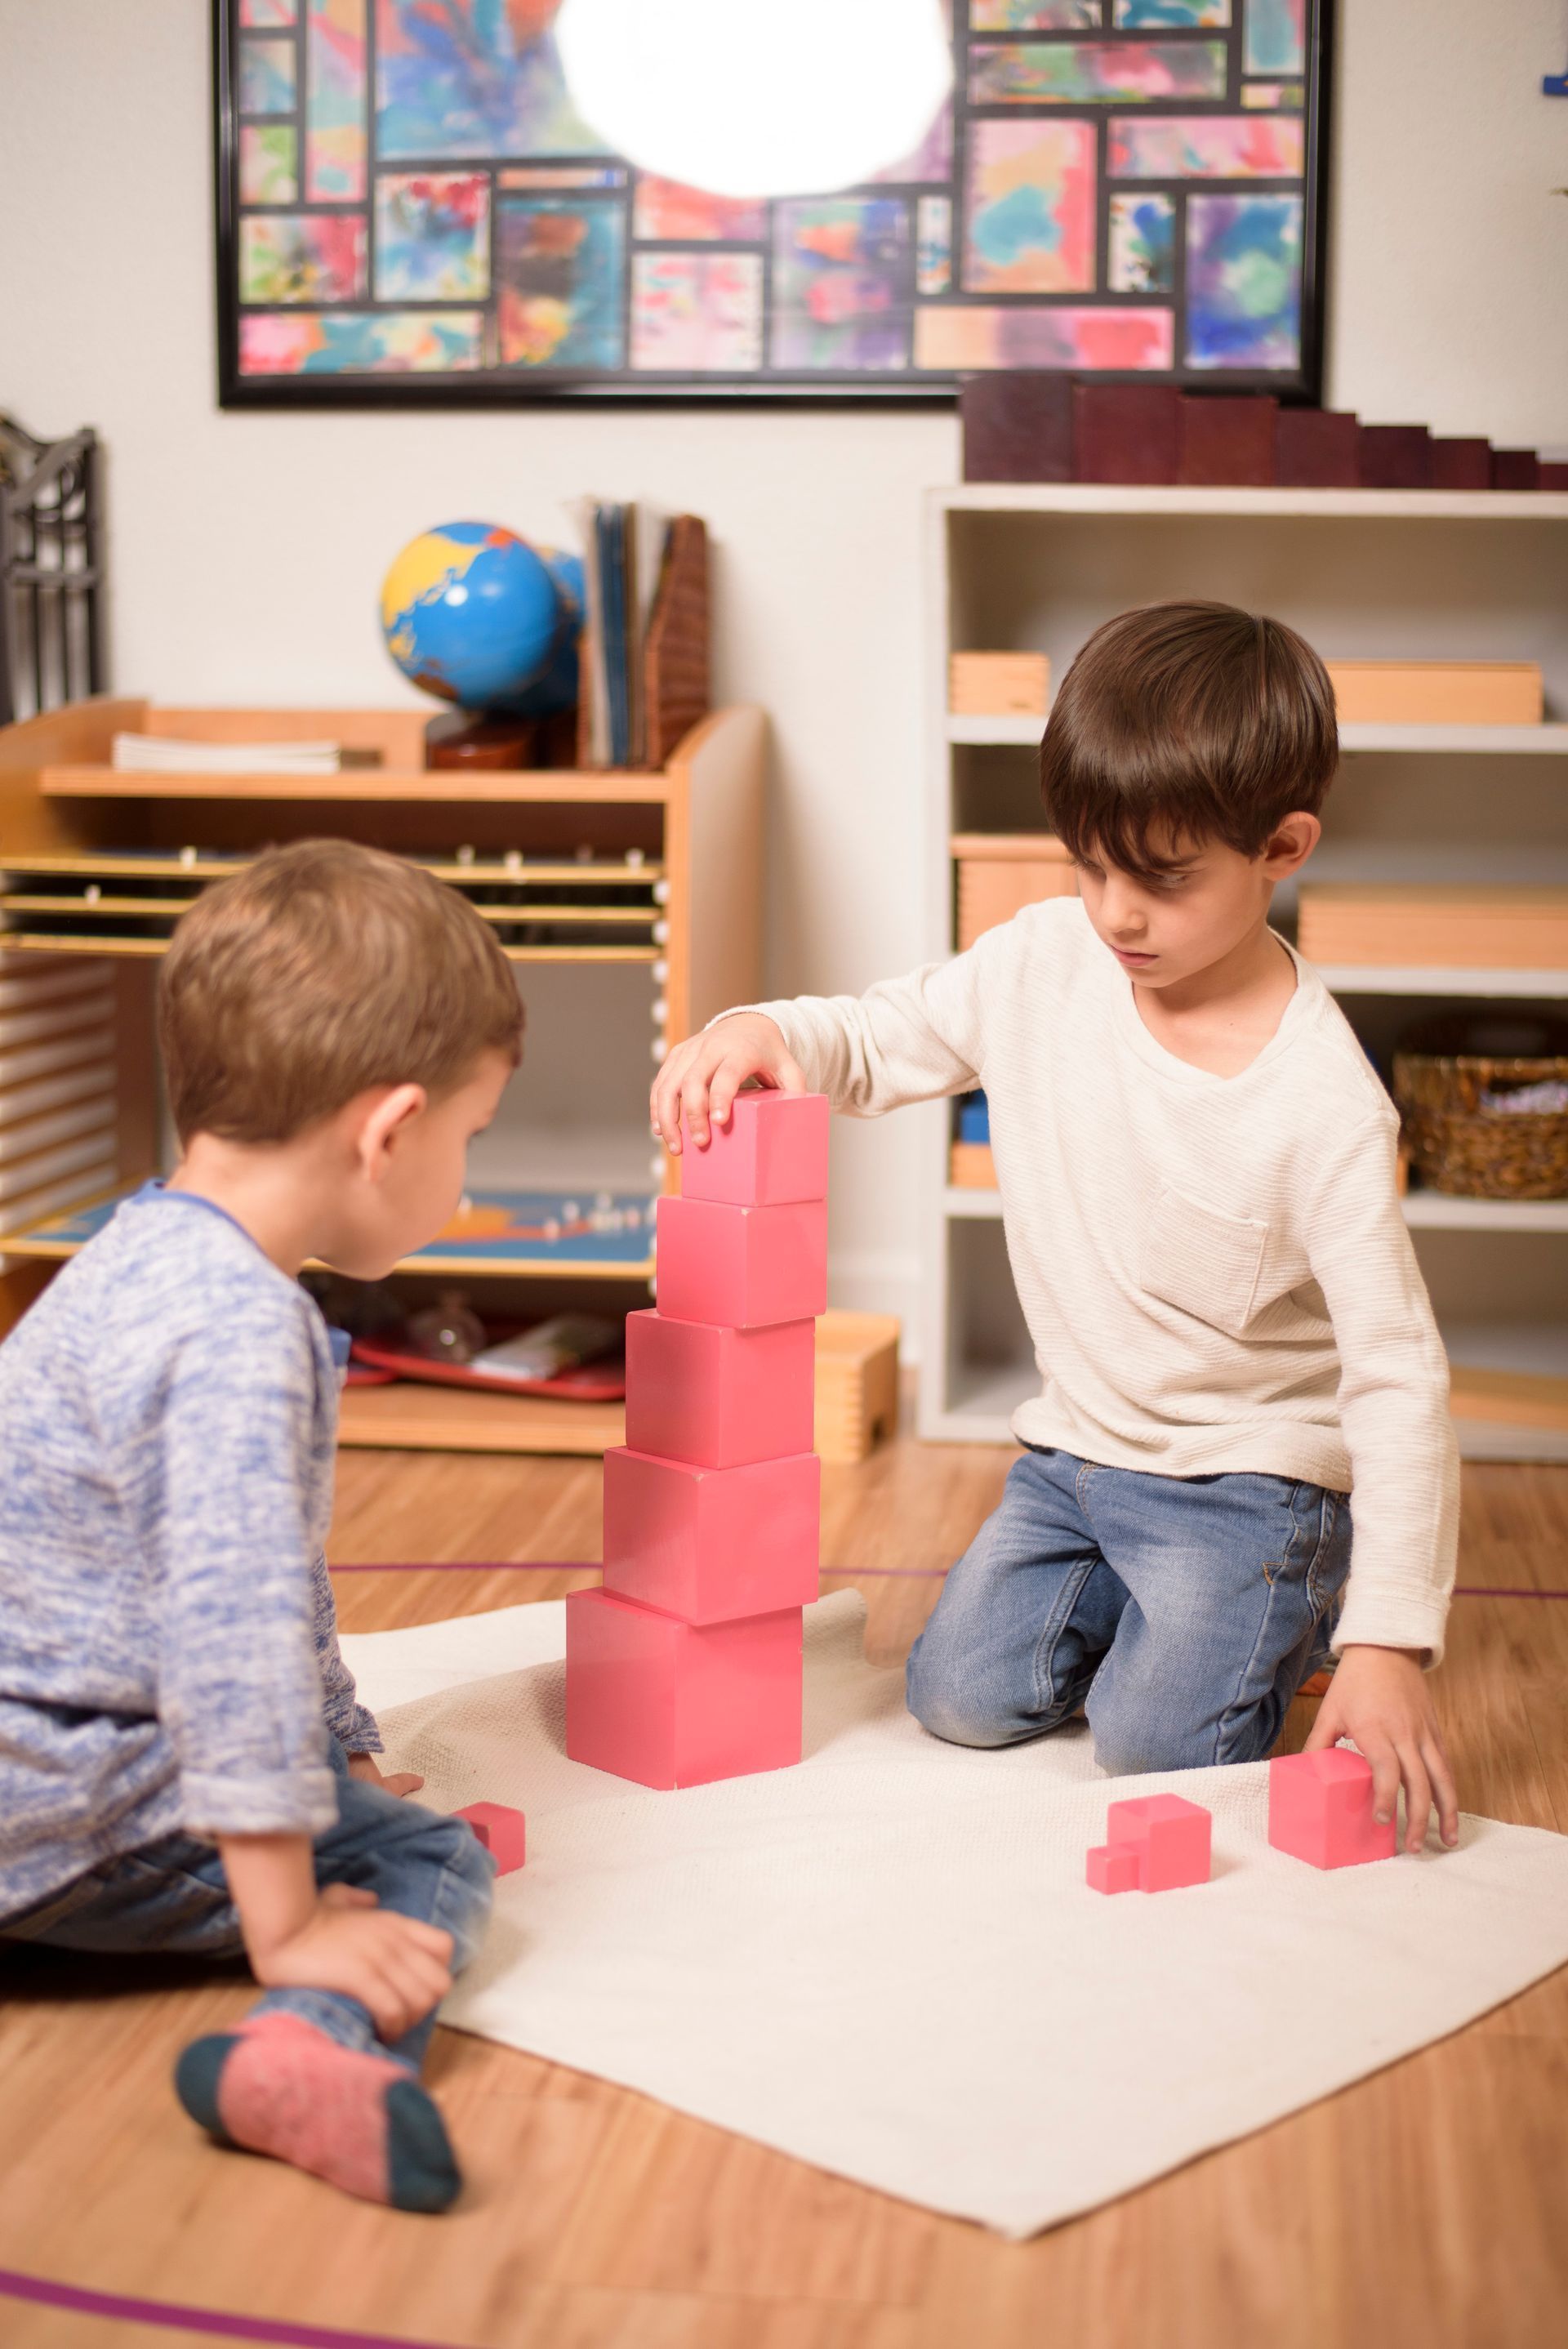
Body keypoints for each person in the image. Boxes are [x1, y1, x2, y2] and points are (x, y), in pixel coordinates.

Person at [653, 602, 1460, 1854]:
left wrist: (1392, 1639)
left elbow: (1400, 1379)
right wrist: (766, 1031)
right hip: (1075, 1460)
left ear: (1283, 849)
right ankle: (1194, 1619)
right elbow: (881, 1035)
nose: (1116, 914)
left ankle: (1313, 1590)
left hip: (1248, 1482)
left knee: (1154, 1755)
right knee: (957, 1700)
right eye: (1090, 867)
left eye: (1163, 877)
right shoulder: (1043, 961)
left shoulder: (1324, 1105)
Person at [0, 840, 523, 2210]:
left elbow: (264, 1577)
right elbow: (230, 1641)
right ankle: (306, 2048)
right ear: (388, 1128)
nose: (460, 1178)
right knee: (430, 1856)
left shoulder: (125, 1252)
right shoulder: (244, 1331)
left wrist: (344, 1739)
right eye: (469, 1139)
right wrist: (290, 1924)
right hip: (73, 1819)